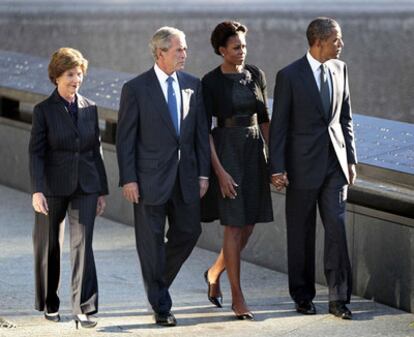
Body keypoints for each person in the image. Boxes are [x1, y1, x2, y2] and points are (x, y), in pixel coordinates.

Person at [116, 26, 210, 327]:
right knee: (151, 243)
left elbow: (199, 134)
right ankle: (161, 306)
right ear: (160, 53)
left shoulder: (193, 85)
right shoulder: (135, 88)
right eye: (178, 49)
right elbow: (125, 139)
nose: (185, 54)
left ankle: (157, 284)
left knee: (188, 232)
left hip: (186, 179)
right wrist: (128, 179)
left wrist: (204, 174)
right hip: (148, 181)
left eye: (185, 49)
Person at [269, 17, 357, 320]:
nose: (341, 45)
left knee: (337, 228)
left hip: (335, 165)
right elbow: (279, 125)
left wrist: (351, 160)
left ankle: (338, 298)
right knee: (301, 233)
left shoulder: (341, 69)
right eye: (337, 40)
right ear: (318, 41)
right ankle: (303, 296)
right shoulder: (289, 75)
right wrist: (277, 167)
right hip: (300, 167)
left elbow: (345, 117)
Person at [29, 47, 108, 329]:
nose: (76, 80)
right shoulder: (43, 111)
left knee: (83, 245)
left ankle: (83, 308)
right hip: (51, 187)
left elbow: (95, 150)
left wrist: (101, 190)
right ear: (56, 77)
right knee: (50, 245)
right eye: (70, 74)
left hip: (86, 185)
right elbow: (36, 153)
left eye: (79, 74)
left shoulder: (90, 107)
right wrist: (37, 190)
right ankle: (51, 302)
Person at [201, 21, 273, 320]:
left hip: (254, 149)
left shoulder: (256, 74)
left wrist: (275, 161)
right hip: (227, 151)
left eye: (244, 46)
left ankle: (214, 272)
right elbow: (204, 131)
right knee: (233, 224)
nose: (241, 51)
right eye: (235, 47)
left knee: (249, 223)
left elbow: (266, 118)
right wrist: (219, 172)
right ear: (221, 50)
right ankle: (237, 297)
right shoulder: (210, 81)